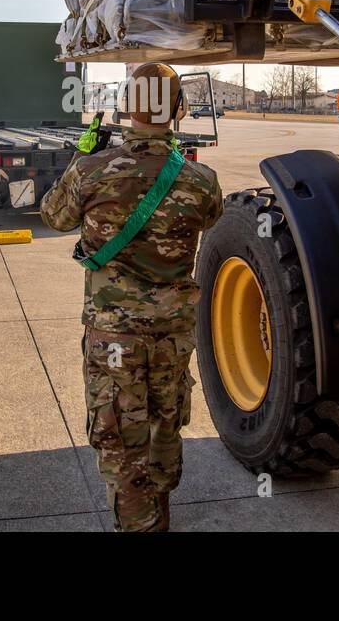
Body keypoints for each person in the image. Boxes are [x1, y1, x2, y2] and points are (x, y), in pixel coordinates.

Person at [40, 63, 223, 531]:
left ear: (124, 106)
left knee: (121, 437)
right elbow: (211, 217)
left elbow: (54, 217)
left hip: (114, 336)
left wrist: (84, 159)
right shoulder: (201, 181)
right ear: (178, 108)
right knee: (166, 424)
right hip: (173, 333)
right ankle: (159, 514)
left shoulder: (91, 171)